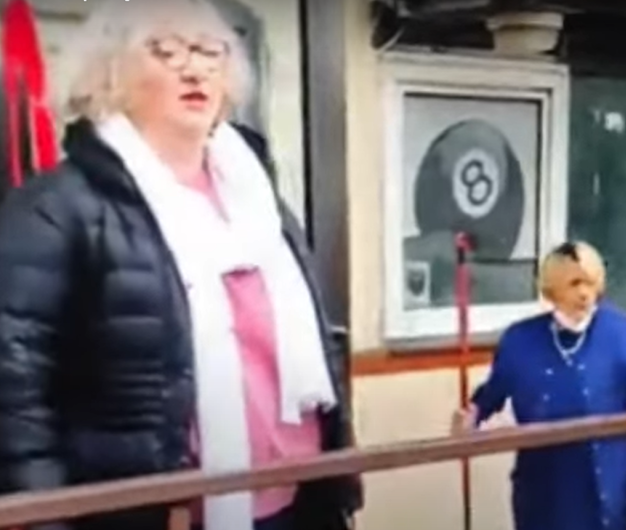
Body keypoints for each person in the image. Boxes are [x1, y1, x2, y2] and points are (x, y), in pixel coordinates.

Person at [0, 2, 361, 530]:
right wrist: (44, 518)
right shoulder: (55, 207)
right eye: (165, 51)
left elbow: (314, 347)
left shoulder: (257, 197)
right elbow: (14, 387)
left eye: (210, 52)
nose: (195, 70)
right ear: (110, 73)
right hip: (157, 514)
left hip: (298, 501)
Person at [452, 241, 626, 530]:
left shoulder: (619, 330)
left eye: (590, 282)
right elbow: (492, 393)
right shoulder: (520, 340)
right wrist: (472, 416)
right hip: (547, 489)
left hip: (612, 484)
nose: (584, 293)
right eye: (574, 283)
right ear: (551, 289)